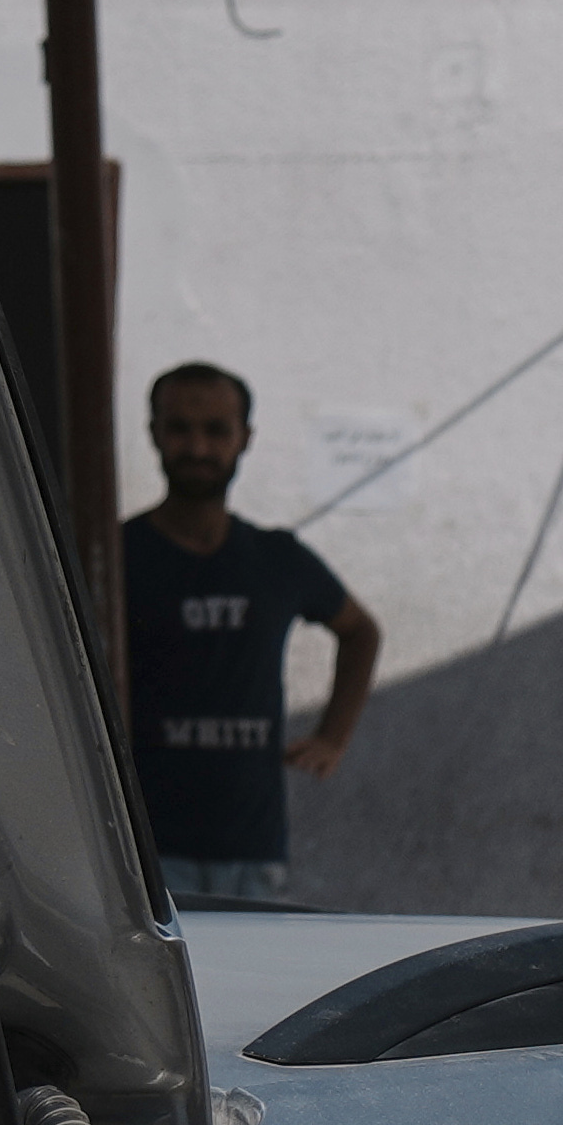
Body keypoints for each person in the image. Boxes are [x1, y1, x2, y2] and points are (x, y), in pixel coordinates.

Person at [123, 361, 378, 915]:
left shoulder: (277, 559)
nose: (198, 447)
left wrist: (332, 738)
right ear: (154, 434)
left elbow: (360, 632)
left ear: (244, 439)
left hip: (253, 848)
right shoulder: (115, 557)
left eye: (216, 430)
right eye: (180, 428)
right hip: (141, 848)